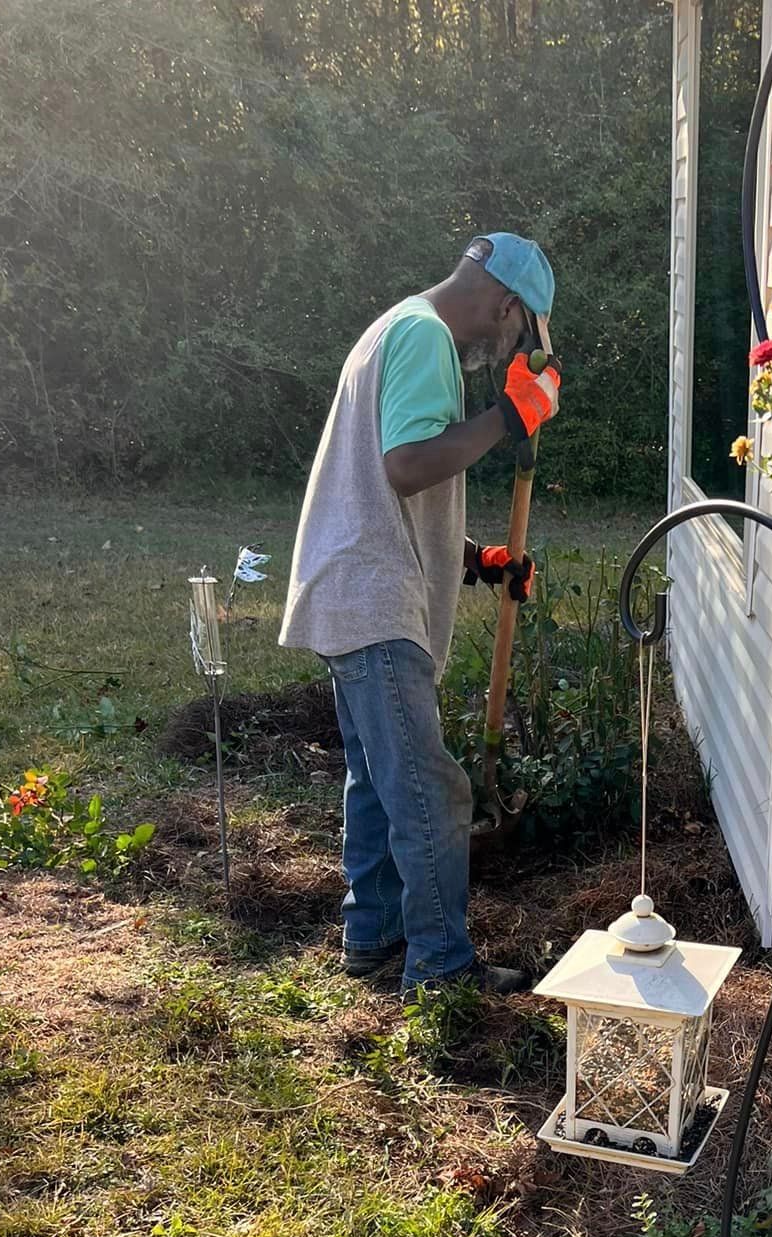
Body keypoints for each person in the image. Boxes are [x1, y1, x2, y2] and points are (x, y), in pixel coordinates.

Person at [279, 233, 560, 996]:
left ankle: (372, 937)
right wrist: (509, 413)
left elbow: (385, 477)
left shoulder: (396, 326)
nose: (513, 349)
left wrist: (473, 558)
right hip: (375, 600)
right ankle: (441, 968)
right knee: (432, 791)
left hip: (353, 587)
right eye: (521, 334)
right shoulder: (426, 337)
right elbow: (406, 467)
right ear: (507, 305)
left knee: (377, 781)